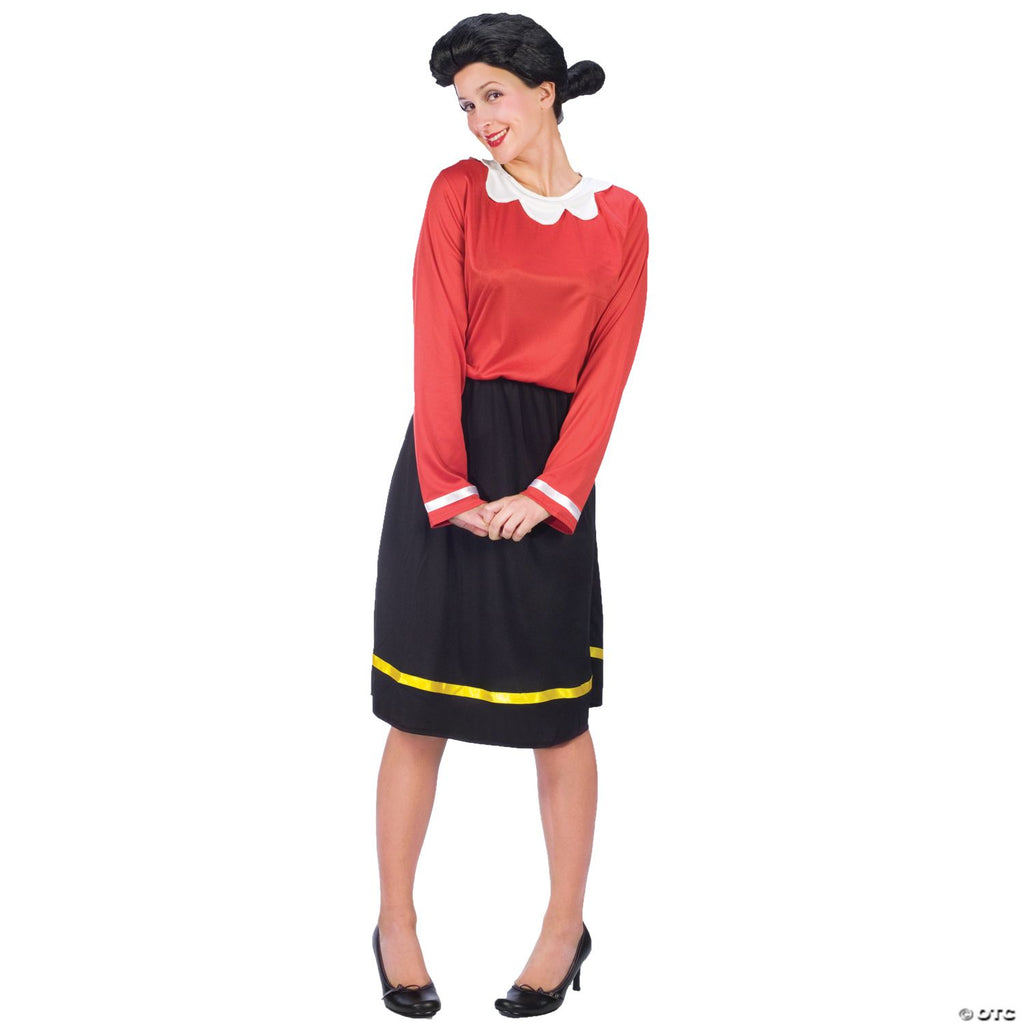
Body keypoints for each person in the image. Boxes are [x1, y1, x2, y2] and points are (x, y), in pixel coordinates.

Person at [369, 12, 648, 1019]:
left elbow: (609, 372)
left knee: (556, 720)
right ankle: (395, 922)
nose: (478, 119)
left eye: (491, 94)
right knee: (417, 713)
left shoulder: (622, 218)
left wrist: (548, 494)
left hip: (552, 475)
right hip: (448, 460)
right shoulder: (455, 194)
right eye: (463, 104)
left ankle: (563, 927)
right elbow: (435, 336)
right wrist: (449, 488)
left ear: (545, 92)